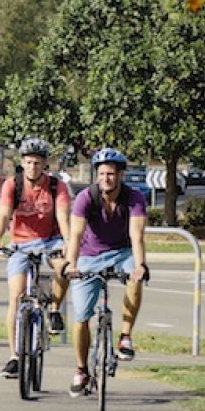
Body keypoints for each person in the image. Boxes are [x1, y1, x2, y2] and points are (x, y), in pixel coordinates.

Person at [63, 147, 150, 397]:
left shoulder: (134, 198)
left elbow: (137, 235)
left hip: (122, 252)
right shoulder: (86, 198)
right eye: (101, 174)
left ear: (120, 175)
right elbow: (76, 235)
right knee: (80, 318)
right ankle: (81, 370)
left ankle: (125, 336)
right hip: (89, 256)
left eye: (111, 174)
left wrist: (140, 265)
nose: (105, 179)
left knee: (135, 274)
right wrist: (71, 264)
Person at [0, 135, 73, 379]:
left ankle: (55, 310)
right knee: (16, 297)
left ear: (45, 164)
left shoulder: (57, 187)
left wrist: (68, 244)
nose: (33, 167)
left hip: (51, 240)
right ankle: (14, 356)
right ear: (22, 163)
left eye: (37, 162)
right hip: (21, 243)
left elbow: (64, 219)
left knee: (64, 267)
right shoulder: (12, 185)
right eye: (28, 162)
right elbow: (4, 216)